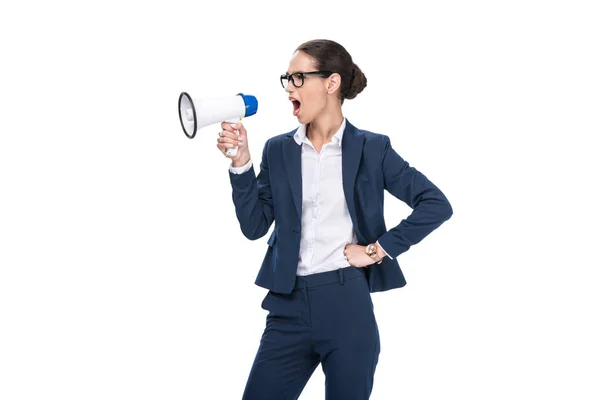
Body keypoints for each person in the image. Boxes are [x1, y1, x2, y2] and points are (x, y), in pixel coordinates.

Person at [216, 39, 453, 400]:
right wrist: (241, 162)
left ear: (331, 83)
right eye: (287, 78)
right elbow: (254, 226)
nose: (288, 89)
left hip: (346, 304)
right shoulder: (278, 149)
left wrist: (376, 250)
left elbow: (435, 203)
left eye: (298, 78)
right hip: (287, 306)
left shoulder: (373, 148)